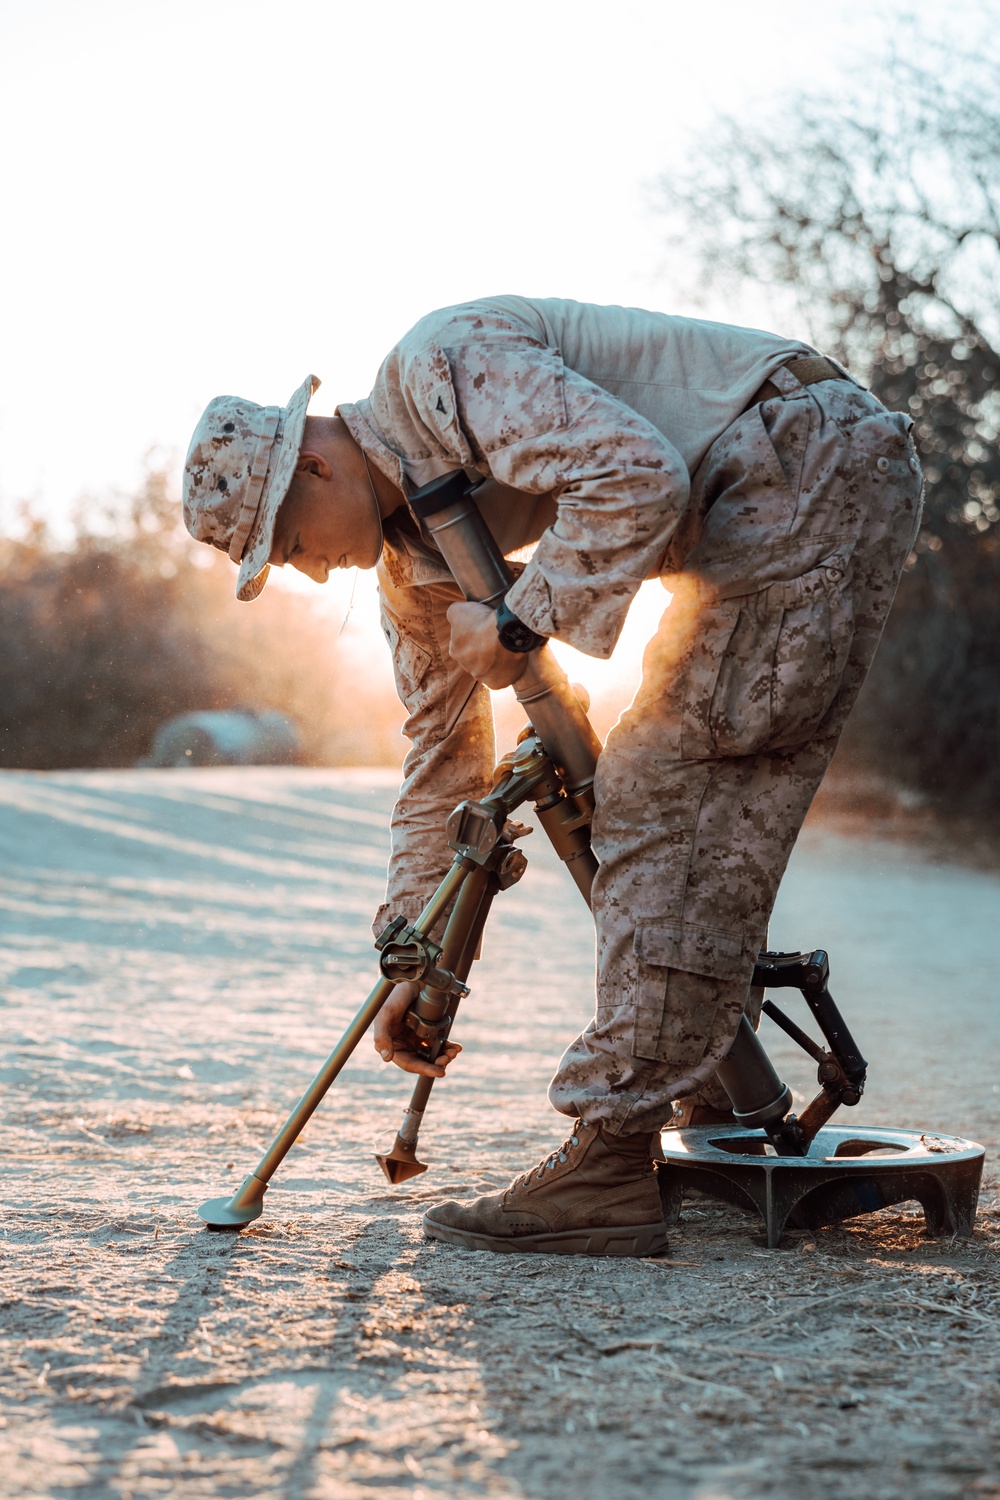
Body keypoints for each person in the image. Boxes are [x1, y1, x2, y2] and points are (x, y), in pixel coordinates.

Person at [182, 296, 923, 1258]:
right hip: (760, 497)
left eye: (287, 547)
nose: (311, 575)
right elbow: (442, 765)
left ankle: (612, 1158)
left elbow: (637, 475)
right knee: (665, 788)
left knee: (666, 780)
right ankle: (686, 1071)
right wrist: (417, 961)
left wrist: (521, 617)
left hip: (805, 450)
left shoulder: (438, 373)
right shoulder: (412, 573)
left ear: (312, 467)